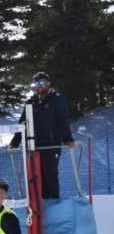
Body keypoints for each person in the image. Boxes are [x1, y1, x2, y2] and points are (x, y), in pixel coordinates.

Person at [9, 71, 74, 199]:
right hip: (35, 146)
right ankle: (42, 203)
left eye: (42, 82)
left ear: (48, 84)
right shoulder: (31, 102)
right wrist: (14, 142)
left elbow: (63, 120)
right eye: (36, 83)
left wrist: (68, 139)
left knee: (50, 174)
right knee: (37, 177)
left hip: (51, 145)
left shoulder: (57, 99)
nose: (39, 85)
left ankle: (54, 201)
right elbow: (22, 124)